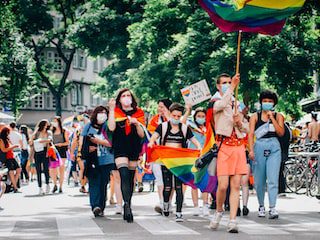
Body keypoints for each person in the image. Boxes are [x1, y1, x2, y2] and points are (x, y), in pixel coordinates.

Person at [209, 73, 249, 233]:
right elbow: (219, 106)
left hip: (238, 148)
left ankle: (232, 220)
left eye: (229, 82)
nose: (227, 84)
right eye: (224, 83)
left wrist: (239, 122)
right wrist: (231, 87)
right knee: (223, 186)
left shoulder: (236, 103)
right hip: (224, 147)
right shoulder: (216, 101)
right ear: (218, 86)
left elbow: (246, 129)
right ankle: (219, 211)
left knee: (235, 186)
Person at [148, 103, 201, 222]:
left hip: (179, 163)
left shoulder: (184, 128)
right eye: (174, 115)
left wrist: (199, 148)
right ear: (170, 114)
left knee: (178, 187)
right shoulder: (163, 127)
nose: (176, 118)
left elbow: (194, 140)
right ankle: (166, 205)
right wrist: (151, 143)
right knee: (167, 187)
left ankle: (179, 213)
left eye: (178, 116)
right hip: (165, 161)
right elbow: (154, 137)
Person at [108, 88, 146, 223]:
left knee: (130, 178)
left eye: (128, 95)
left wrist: (136, 124)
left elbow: (142, 134)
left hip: (134, 146)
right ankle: (127, 205)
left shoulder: (139, 112)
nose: (126, 97)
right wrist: (111, 109)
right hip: (120, 146)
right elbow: (111, 127)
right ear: (119, 99)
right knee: (123, 174)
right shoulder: (116, 112)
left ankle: (127, 203)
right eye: (123, 95)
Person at [248, 90, 285, 219]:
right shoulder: (254, 116)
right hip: (259, 146)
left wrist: (272, 118)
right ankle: (261, 205)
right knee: (259, 180)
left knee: (273, 179)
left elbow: (281, 132)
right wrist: (251, 150)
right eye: (265, 101)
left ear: (274, 103)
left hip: (274, 146)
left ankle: (273, 207)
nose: (267, 103)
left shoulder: (279, 116)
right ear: (261, 102)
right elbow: (251, 134)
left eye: (270, 101)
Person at [80, 105, 115, 217]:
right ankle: (95, 206)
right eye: (100, 112)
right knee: (94, 183)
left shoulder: (107, 127)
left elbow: (111, 143)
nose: (102, 114)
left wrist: (98, 141)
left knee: (103, 184)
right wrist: (86, 149)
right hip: (92, 160)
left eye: (105, 112)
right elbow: (82, 143)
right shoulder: (88, 127)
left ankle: (101, 206)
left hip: (106, 159)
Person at [182, 106, 210, 216]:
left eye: (203, 116)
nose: (201, 118)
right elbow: (182, 123)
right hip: (193, 156)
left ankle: (205, 205)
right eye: (199, 116)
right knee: (194, 182)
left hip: (206, 157)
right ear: (195, 117)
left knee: (205, 182)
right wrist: (188, 110)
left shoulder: (209, 128)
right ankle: (196, 206)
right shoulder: (190, 127)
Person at [147, 99, 172, 214]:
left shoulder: (174, 118)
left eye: (162, 107)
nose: (160, 109)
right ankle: (162, 202)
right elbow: (150, 134)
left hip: (171, 154)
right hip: (157, 153)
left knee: (170, 180)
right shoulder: (154, 120)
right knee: (160, 178)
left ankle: (168, 202)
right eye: (159, 107)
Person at [30, 119, 52, 195]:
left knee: (46, 169)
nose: (47, 125)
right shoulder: (37, 132)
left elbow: (49, 140)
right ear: (43, 124)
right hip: (37, 152)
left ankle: (47, 185)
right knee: (38, 170)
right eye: (46, 124)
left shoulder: (48, 132)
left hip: (45, 151)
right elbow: (31, 142)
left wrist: (40, 141)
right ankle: (40, 187)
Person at [70, 114, 90, 193]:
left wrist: (72, 153)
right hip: (83, 152)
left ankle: (83, 185)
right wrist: (72, 153)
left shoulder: (79, 129)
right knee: (84, 169)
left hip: (81, 152)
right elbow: (74, 141)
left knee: (82, 169)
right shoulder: (87, 128)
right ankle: (85, 185)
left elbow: (74, 142)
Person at [0, 127, 21, 193]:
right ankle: (15, 188)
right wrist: (13, 146)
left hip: (12, 156)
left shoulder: (7, 139)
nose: (9, 134)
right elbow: (4, 150)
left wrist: (12, 146)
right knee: (11, 172)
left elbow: (9, 146)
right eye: (8, 132)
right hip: (7, 158)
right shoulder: (1, 140)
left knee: (18, 170)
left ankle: (13, 184)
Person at [52, 116, 69, 193]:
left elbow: (67, 142)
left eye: (55, 121)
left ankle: (61, 186)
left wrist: (61, 144)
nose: (54, 123)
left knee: (61, 168)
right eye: (53, 121)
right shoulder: (51, 131)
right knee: (53, 169)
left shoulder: (64, 131)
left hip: (61, 150)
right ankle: (55, 184)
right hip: (53, 151)